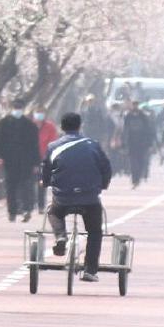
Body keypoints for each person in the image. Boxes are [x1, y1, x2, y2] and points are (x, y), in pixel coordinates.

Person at [44, 112, 113, 282]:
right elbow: (106, 168)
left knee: (53, 212)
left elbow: (46, 170)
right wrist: (102, 185)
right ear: (80, 126)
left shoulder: (53, 147)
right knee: (95, 231)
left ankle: (61, 236)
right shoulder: (93, 145)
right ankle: (90, 269)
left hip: (63, 196)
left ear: (62, 127)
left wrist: (46, 182)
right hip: (89, 196)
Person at [0, 108, 41, 221]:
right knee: (11, 187)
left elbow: (35, 145)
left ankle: (26, 209)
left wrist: (36, 163)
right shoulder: (3, 123)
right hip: (9, 160)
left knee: (26, 186)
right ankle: (12, 211)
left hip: (26, 161)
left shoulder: (30, 125)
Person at [119, 102, 156, 189]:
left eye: (136, 105)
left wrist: (149, 143)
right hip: (131, 143)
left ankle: (138, 178)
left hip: (142, 144)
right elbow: (125, 130)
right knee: (132, 163)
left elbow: (148, 130)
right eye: (133, 105)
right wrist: (123, 144)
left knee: (141, 162)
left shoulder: (143, 116)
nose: (134, 106)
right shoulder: (128, 116)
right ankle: (134, 180)